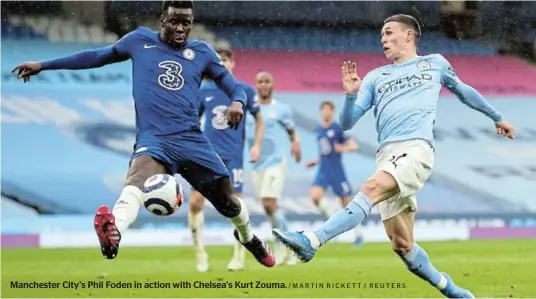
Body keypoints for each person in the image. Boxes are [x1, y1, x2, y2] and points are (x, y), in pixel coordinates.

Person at [12, 0, 275, 268]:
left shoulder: (202, 52)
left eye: (186, 23)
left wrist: (237, 103)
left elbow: (236, 88)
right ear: (162, 21)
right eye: (175, 21)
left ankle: (249, 238)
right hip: (154, 139)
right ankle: (114, 234)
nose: (181, 28)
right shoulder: (139, 41)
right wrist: (44, 65)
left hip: (191, 140)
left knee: (228, 203)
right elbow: (96, 56)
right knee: (136, 180)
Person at [273, 14, 515, 298]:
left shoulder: (434, 63)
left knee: (369, 188)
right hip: (386, 155)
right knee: (403, 246)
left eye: (388, 33)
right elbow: (347, 123)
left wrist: (497, 117)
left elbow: (463, 91)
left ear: (409, 35)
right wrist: (351, 95)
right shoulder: (376, 77)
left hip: (416, 149)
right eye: (381, 36)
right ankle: (453, 291)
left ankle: (311, 240)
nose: (383, 40)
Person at [189, 46, 264, 272]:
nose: (222, 63)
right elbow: (193, 120)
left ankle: (239, 254)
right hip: (207, 156)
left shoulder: (245, 91)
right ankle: (200, 254)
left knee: (236, 206)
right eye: (218, 60)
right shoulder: (204, 92)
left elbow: (259, 119)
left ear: (233, 63)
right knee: (194, 203)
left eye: (225, 60)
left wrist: (257, 145)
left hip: (233, 157)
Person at [249, 71, 301, 265]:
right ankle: (292, 244)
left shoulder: (281, 109)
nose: (263, 85)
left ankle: (282, 247)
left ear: (272, 85)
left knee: (270, 203)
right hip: (257, 164)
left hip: (276, 162)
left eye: (267, 81)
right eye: (260, 81)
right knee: (268, 207)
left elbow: (291, 131)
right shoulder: (250, 108)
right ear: (256, 85)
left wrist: (296, 143)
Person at [305, 100, 363, 247]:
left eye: (328, 109)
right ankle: (333, 221)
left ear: (332, 111)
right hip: (323, 169)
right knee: (315, 196)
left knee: (346, 203)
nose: (326, 112)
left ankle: (358, 233)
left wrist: (345, 148)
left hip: (336, 170)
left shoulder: (337, 128)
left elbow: (353, 145)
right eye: (323, 109)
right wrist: (315, 161)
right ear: (321, 112)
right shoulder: (318, 129)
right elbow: (326, 150)